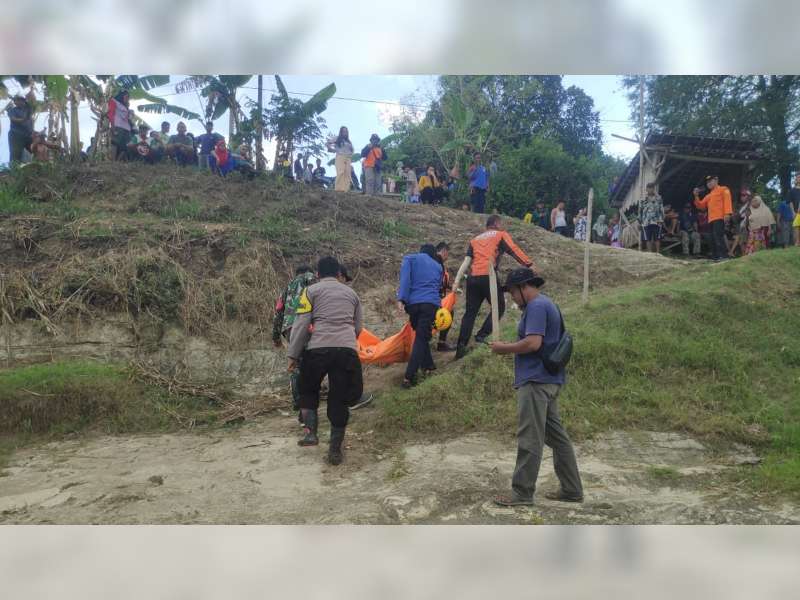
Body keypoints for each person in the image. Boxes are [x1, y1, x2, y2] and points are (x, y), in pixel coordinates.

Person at [490, 267, 583, 507]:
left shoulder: (536, 307)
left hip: (536, 382)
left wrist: (503, 348)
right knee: (558, 438)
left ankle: (522, 493)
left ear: (523, 288)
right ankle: (572, 489)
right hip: (548, 381)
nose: (511, 297)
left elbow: (533, 343)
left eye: (512, 291)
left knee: (530, 438)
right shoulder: (545, 304)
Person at [288, 256, 364, 465]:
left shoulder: (310, 291)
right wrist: (346, 343)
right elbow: (358, 327)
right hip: (346, 350)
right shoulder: (352, 293)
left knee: (307, 389)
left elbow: (301, 324)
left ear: (318, 274)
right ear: (339, 274)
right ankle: (334, 451)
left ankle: (311, 433)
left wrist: (293, 355)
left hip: (318, 349)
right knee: (339, 397)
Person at [455, 215, 536, 359]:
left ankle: (461, 347)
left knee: (470, 313)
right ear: (496, 223)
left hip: (473, 278)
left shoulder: (475, 240)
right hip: (488, 275)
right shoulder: (500, 235)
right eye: (501, 223)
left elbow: (466, 262)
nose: (502, 226)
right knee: (499, 306)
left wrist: (456, 282)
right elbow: (513, 249)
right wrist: (529, 265)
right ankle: (482, 335)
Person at [397, 244, 444, 388]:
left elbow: (405, 280)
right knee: (421, 338)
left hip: (413, 305)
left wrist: (401, 299)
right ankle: (408, 378)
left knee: (421, 336)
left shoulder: (410, 258)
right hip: (430, 304)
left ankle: (429, 367)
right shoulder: (438, 266)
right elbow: (438, 288)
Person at [273, 266, 318, 415]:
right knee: (310, 363)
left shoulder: (287, 287)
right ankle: (309, 401)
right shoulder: (310, 278)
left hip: (289, 329)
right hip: (307, 325)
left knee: (297, 364)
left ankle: (298, 401)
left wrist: (276, 337)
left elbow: (279, 311)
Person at [693, 175, 733, 261]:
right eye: (707, 182)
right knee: (711, 238)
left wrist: (727, 213)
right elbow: (701, 206)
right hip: (710, 219)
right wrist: (696, 196)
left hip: (719, 218)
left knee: (718, 236)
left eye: (711, 181)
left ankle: (724, 256)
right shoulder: (709, 195)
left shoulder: (723, 189)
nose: (709, 183)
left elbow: (727, 200)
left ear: (716, 180)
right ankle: (715, 256)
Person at [434, 242, 456, 352]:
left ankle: (440, 342)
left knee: (449, 312)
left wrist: (449, 287)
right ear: (444, 251)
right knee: (448, 313)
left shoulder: (435, 262)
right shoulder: (437, 263)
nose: (447, 257)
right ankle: (441, 343)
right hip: (433, 299)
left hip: (434, 297)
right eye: (447, 254)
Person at [6, 95, 34, 164]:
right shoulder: (12, 110)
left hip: (28, 135)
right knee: (15, 154)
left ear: (23, 101)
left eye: (19, 100)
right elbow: (13, 119)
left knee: (32, 151)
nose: (17, 102)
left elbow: (30, 121)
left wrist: (32, 132)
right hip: (16, 135)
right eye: (16, 100)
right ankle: (14, 170)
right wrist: (23, 119)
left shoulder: (27, 110)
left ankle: (32, 167)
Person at [639, 182, 665, 253]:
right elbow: (640, 211)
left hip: (657, 221)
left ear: (654, 189)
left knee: (657, 238)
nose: (650, 189)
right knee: (648, 238)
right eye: (649, 188)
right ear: (646, 189)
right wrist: (640, 222)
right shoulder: (643, 199)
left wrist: (662, 219)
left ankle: (658, 253)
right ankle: (649, 253)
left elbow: (661, 209)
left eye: (652, 188)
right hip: (646, 222)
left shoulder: (659, 198)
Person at [327, 127, 354, 192]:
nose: (345, 133)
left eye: (346, 131)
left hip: (348, 158)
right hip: (340, 156)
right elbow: (328, 143)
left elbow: (352, 150)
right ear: (341, 132)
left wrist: (350, 155)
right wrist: (331, 149)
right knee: (340, 172)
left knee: (347, 173)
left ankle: (346, 189)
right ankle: (339, 189)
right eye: (343, 131)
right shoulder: (337, 138)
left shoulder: (349, 141)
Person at [108, 90, 133, 161]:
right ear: (121, 96)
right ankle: (112, 161)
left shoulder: (125, 106)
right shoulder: (113, 101)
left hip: (127, 129)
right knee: (114, 143)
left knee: (126, 146)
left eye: (128, 97)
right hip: (118, 126)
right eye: (126, 97)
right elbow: (111, 113)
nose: (127, 99)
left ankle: (118, 162)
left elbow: (127, 119)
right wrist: (112, 126)